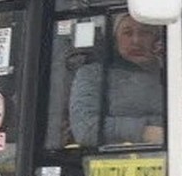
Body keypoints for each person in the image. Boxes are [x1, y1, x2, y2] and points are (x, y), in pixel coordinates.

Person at [69, 13, 165, 146]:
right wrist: (145, 131)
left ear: (158, 39)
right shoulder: (93, 74)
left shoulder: (177, 73)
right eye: (127, 33)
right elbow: (85, 129)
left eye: (145, 32)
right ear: (115, 40)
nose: (136, 40)